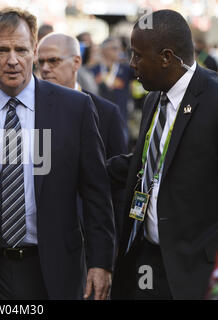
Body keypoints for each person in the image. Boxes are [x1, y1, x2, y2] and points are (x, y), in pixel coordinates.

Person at [0, 7, 115, 300]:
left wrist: (101, 262)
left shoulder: (75, 108)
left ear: (34, 49)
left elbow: (96, 193)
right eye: (2, 50)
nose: (12, 60)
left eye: (21, 49)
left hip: (55, 268)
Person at [109, 9, 218, 300]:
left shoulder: (213, 99)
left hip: (195, 267)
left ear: (166, 57)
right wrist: (88, 169)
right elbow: (147, 162)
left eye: (137, 55)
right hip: (146, 256)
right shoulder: (154, 98)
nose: (131, 64)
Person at [37, 32, 127, 243]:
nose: (45, 68)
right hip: (37, 239)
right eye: (40, 62)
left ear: (76, 62)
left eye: (54, 61)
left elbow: (118, 189)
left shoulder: (106, 113)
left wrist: (112, 251)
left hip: (86, 237)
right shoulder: (25, 111)